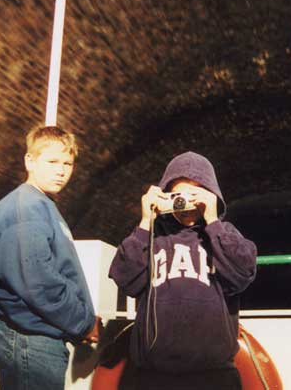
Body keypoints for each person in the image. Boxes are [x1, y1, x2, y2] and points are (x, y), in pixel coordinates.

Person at [109, 151, 257, 390]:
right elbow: (125, 280)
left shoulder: (224, 233)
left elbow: (242, 275)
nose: (186, 204)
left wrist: (212, 221)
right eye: (179, 195)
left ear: (211, 195)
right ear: (166, 195)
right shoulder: (153, 235)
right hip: (152, 376)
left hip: (213, 376)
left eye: (195, 194)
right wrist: (146, 221)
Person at [0, 125, 100, 390]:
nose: (60, 171)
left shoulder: (42, 205)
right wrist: (82, 324)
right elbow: (37, 281)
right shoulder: (24, 207)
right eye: (52, 161)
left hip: (40, 334)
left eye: (67, 163)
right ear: (30, 161)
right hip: (30, 339)